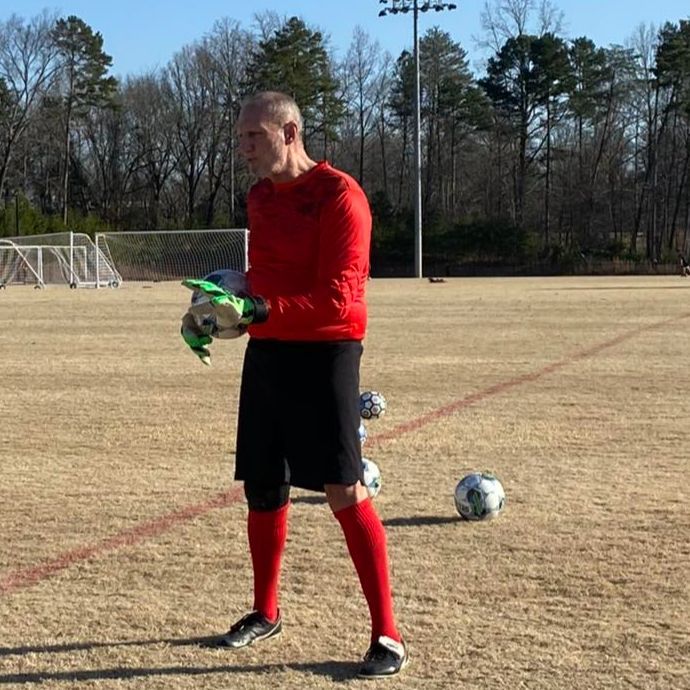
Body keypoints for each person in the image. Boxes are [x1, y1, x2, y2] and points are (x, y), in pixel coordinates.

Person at [181, 91, 408, 679]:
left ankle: (387, 634)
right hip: (269, 351)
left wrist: (255, 309)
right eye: (239, 137)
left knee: (343, 489)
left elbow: (338, 299)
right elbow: (264, 278)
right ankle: (265, 612)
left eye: (253, 136)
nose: (243, 148)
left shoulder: (340, 196)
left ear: (289, 132)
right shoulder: (260, 198)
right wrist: (214, 308)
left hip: (328, 351)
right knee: (263, 486)